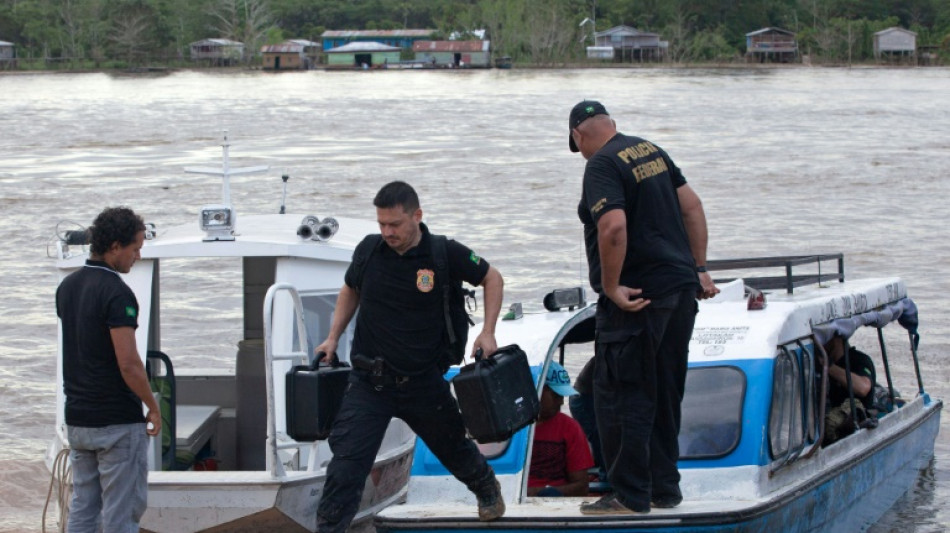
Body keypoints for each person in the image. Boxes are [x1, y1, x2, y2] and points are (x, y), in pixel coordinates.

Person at [314, 181, 506, 532]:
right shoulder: (369, 250)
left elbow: (492, 278)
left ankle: (487, 487)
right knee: (346, 467)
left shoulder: (443, 253)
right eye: (381, 224)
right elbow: (350, 289)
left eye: (395, 225)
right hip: (369, 382)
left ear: (417, 216)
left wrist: (488, 331)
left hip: (422, 381)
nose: (387, 232)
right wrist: (331, 338)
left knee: (454, 449)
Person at [568, 100, 719, 515]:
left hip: (637, 299)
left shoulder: (601, 165)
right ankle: (664, 489)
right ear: (611, 123)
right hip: (679, 292)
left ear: (579, 136)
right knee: (665, 394)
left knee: (621, 395)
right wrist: (700, 266)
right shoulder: (649, 150)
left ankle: (630, 496)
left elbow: (612, 224)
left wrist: (612, 286)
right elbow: (692, 206)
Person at [56, 206, 161, 532]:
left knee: (83, 510)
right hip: (115, 421)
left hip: (78, 419)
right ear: (115, 246)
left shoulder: (67, 287)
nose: (137, 256)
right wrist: (153, 408)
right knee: (121, 515)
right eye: (135, 248)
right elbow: (129, 364)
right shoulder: (117, 292)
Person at [528, 361, 595, 497]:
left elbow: (581, 486)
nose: (561, 402)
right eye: (556, 395)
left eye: (562, 396)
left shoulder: (570, 428)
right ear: (538, 390)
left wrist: (539, 492)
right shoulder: (507, 427)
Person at [822, 336, 876, 446]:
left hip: (854, 431)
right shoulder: (812, 362)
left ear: (836, 338)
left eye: (822, 338)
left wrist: (828, 367)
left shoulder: (859, 360)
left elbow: (863, 387)